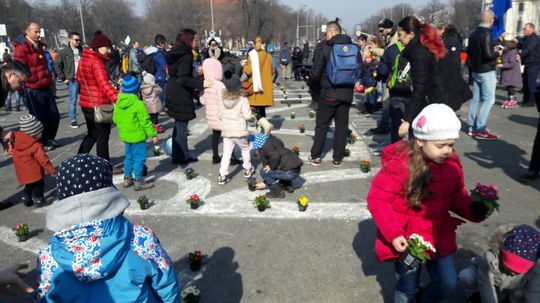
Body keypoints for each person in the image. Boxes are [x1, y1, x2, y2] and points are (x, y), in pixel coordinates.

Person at [367, 104, 492, 303]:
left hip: (437, 235)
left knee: (447, 283)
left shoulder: (452, 166)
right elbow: (377, 199)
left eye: (451, 144)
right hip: (409, 241)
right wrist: (395, 233)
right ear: (420, 142)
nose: (447, 151)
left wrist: (475, 209)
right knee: (407, 288)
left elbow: (457, 196)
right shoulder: (401, 165)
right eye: (441, 145)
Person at [36, 154, 180, 302]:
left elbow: (45, 297)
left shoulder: (48, 257)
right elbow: (166, 284)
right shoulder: (140, 240)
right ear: (109, 191)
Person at [397, 16, 471, 138]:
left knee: (433, 141)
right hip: (446, 95)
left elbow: (420, 88)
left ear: (410, 34)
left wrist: (407, 120)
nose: (398, 39)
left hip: (440, 99)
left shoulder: (418, 52)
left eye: (400, 34)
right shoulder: (425, 43)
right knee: (439, 141)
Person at [307, 19, 362, 167]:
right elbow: (359, 70)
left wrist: (313, 88)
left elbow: (316, 72)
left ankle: (316, 156)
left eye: (326, 34)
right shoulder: (354, 47)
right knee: (342, 126)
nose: (325, 36)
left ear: (331, 32)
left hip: (328, 92)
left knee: (322, 125)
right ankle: (338, 157)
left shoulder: (324, 47)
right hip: (347, 94)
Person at [458, 224, 540, 303]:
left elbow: (534, 292)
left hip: (513, 286)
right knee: (466, 276)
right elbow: (486, 286)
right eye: (509, 268)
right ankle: (474, 296)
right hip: (491, 281)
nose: (512, 273)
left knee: (521, 293)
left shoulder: (536, 268)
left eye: (518, 271)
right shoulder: (490, 258)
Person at [13, 22, 60, 151]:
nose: (39, 35)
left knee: (54, 115)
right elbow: (18, 70)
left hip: (45, 86)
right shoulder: (22, 48)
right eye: (36, 32)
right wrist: (24, 88)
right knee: (40, 118)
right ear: (27, 32)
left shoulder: (40, 47)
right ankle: (42, 142)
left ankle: (49, 137)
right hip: (32, 89)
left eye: (40, 32)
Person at [76, 31, 119, 167]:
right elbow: (104, 84)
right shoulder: (97, 62)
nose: (109, 50)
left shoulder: (84, 58)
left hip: (85, 103)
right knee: (102, 136)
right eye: (107, 47)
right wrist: (118, 99)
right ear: (99, 47)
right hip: (98, 105)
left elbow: (78, 78)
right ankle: (105, 165)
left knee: (92, 134)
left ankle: (79, 160)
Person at [165, 28, 205, 167]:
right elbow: (183, 78)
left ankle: (177, 155)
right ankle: (183, 155)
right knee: (182, 124)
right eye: (195, 40)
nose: (197, 42)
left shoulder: (176, 52)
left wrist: (194, 71)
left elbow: (177, 71)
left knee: (178, 123)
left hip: (172, 88)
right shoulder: (186, 55)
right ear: (189, 40)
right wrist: (201, 84)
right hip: (180, 92)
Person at [113, 75, 158, 191]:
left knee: (129, 157)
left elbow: (115, 119)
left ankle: (127, 178)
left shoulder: (119, 102)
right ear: (136, 90)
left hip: (126, 135)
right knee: (139, 158)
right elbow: (145, 122)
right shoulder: (138, 104)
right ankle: (138, 181)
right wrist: (153, 134)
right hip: (137, 136)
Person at [466, 10, 503, 140]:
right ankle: (480, 129)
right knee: (489, 100)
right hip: (486, 71)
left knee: (476, 99)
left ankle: (471, 126)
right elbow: (488, 55)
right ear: (491, 20)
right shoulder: (487, 33)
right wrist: (498, 53)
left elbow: (470, 53)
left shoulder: (473, 34)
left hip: (476, 70)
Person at [217, 70, 255, 185]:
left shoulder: (222, 100)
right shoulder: (243, 100)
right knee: (245, 149)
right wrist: (252, 118)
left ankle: (222, 175)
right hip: (239, 131)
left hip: (227, 131)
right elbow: (248, 116)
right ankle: (247, 168)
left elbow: (219, 115)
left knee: (226, 153)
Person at [11, 114, 56, 208]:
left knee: (29, 184)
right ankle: (38, 199)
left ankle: (26, 197)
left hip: (22, 171)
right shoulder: (36, 146)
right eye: (40, 132)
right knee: (39, 184)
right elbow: (43, 160)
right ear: (34, 133)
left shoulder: (15, 142)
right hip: (34, 171)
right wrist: (51, 170)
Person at [252, 121, 304, 198]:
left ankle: (277, 192)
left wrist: (271, 167)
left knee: (264, 172)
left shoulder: (263, 147)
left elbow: (275, 156)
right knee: (279, 166)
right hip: (296, 167)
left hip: (289, 172)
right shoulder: (274, 139)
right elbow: (280, 149)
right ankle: (287, 186)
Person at [0, 60, 30, 154]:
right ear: (10, 75)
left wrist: (2, 137)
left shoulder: (4, 85)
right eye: (21, 82)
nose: (22, 86)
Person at [55, 31, 83, 129]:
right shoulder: (64, 52)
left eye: (79, 40)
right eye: (76, 40)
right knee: (73, 100)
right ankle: (73, 120)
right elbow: (57, 65)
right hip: (72, 80)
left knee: (86, 99)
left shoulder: (82, 51)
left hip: (83, 79)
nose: (78, 42)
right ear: (70, 40)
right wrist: (63, 78)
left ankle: (90, 118)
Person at [200, 58, 225, 164]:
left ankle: (215, 156)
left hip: (211, 116)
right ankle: (231, 156)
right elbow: (224, 99)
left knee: (215, 135)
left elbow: (202, 100)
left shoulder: (205, 85)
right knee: (228, 136)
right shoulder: (220, 85)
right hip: (221, 114)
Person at [243, 36, 274, 119]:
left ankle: (261, 127)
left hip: (255, 86)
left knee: (254, 109)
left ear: (254, 44)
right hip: (265, 87)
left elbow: (249, 70)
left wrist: (244, 65)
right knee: (262, 109)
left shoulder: (252, 55)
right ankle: (264, 127)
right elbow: (272, 72)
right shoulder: (268, 56)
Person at [517, 23, 540, 108]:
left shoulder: (534, 38)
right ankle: (526, 100)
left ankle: (531, 101)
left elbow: (528, 49)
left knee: (531, 83)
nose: (523, 30)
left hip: (534, 63)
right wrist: (516, 41)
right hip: (528, 63)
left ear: (531, 29)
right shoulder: (527, 38)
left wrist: (520, 55)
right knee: (526, 83)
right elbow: (522, 43)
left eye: (525, 29)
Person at [497, 37, 522, 109]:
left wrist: (502, 65)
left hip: (512, 74)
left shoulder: (512, 53)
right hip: (509, 74)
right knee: (508, 87)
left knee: (511, 88)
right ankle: (509, 99)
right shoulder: (507, 52)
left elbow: (512, 64)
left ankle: (512, 100)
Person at [153, 34, 168, 105]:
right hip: (161, 75)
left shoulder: (154, 51)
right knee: (161, 93)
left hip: (157, 75)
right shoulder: (159, 53)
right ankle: (160, 108)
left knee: (160, 93)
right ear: (161, 43)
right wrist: (168, 70)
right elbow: (163, 65)